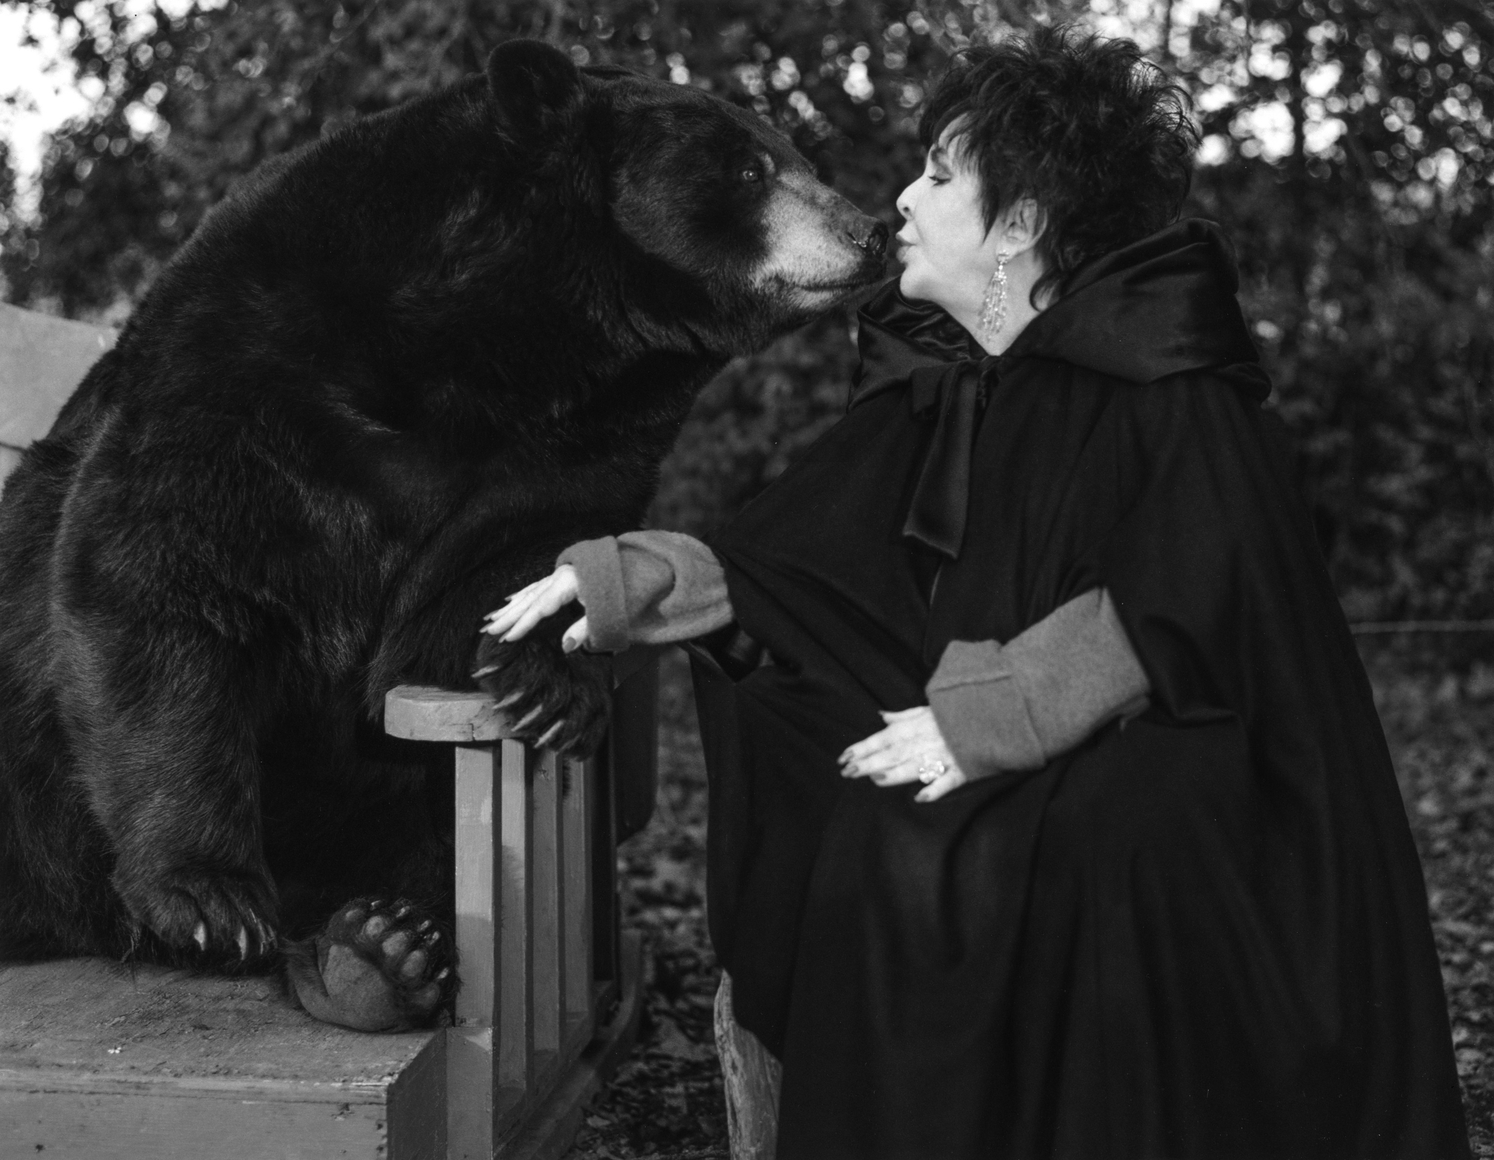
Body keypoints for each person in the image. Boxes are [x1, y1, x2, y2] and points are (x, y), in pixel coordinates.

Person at [484, 27, 1469, 1159]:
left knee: (948, 860)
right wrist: (633, 578)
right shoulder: (957, 385)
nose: (903, 198)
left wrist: (992, 716)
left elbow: (1196, 590)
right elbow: (818, 574)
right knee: (877, 836)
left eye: (941, 174)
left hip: (1204, 799)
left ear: (1019, 224)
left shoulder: (1168, 373)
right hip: (1043, 771)